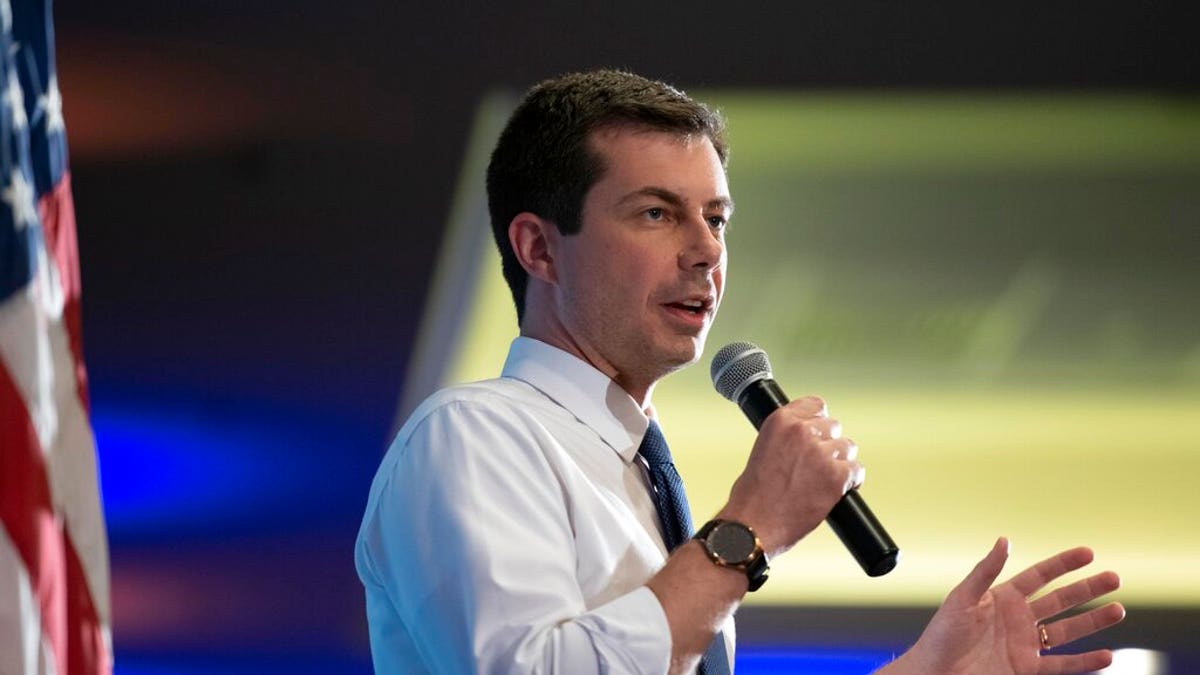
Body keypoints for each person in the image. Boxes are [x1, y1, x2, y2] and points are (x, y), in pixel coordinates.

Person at [355, 69, 1125, 674]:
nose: (706, 250)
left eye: (715, 218)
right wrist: (750, 528)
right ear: (540, 248)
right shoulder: (472, 436)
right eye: (656, 213)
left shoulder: (638, 480)